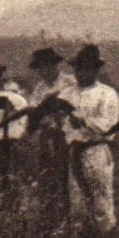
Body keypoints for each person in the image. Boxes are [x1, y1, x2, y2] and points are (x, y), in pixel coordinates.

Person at [59, 44, 119, 238]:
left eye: (86, 69)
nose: (81, 74)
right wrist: (59, 121)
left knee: (101, 195)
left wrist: (85, 120)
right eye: (78, 69)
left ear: (95, 70)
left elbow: (109, 125)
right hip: (74, 149)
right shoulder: (67, 94)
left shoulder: (107, 94)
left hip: (96, 150)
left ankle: (106, 236)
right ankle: (80, 237)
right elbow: (61, 123)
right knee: (76, 197)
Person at [27, 47, 74, 213]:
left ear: (54, 65)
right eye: (40, 68)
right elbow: (33, 110)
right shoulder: (40, 88)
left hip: (67, 134)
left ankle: (67, 210)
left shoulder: (70, 82)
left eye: (46, 67)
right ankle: (50, 210)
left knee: (66, 173)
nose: (43, 72)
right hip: (47, 134)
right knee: (46, 171)